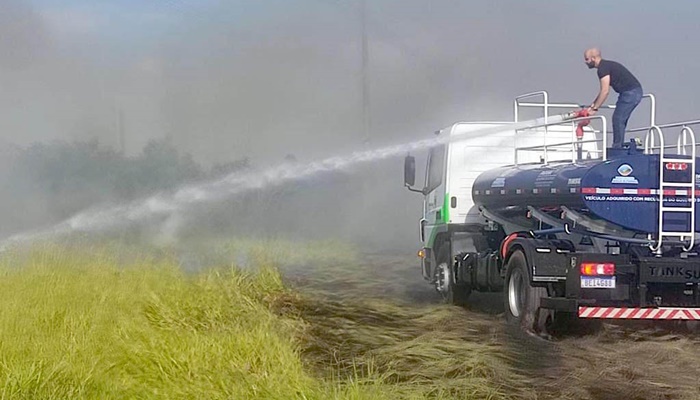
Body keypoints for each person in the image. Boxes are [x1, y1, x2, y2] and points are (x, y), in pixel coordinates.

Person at [584, 48, 643, 149]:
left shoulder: (603, 68)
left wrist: (594, 109)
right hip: (632, 92)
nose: (585, 62)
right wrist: (593, 105)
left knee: (618, 118)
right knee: (621, 118)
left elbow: (605, 91)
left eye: (587, 59)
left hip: (630, 93)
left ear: (593, 58)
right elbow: (602, 92)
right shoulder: (606, 65)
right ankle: (619, 145)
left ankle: (617, 147)